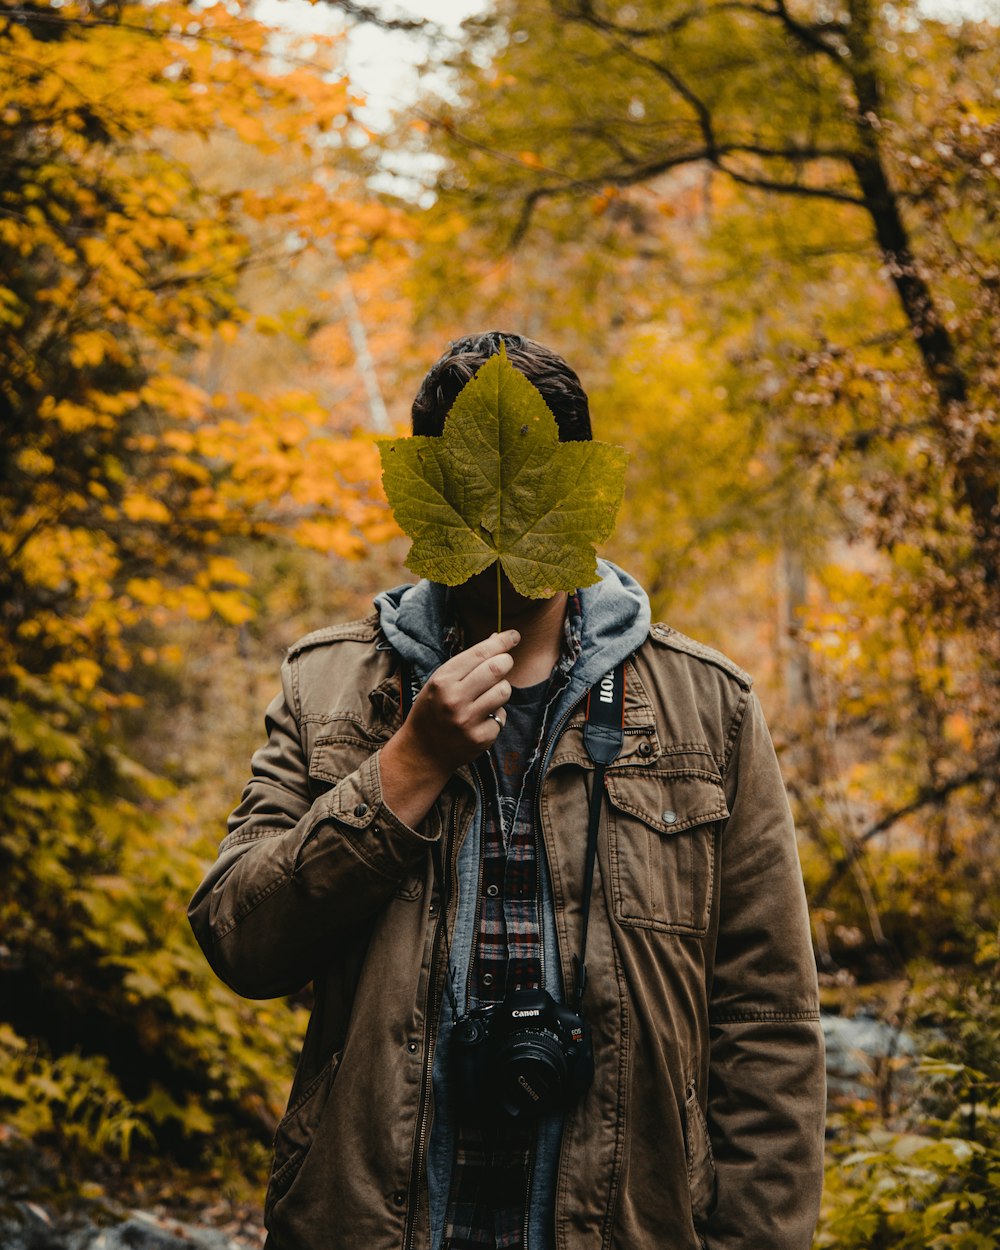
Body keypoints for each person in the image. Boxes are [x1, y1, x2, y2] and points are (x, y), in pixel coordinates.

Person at [188, 332, 826, 1250]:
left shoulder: (708, 708)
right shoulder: (328, 687)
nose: (498, 528)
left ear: (580, 496)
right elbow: (239, 940)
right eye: (470, 493)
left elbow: (766, 1022)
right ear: (427, 493)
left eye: (530, 493)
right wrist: (405, 767)